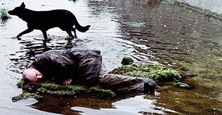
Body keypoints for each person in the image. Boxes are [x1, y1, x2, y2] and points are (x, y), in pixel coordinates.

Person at [22, 48, 156, 94]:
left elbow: (66, 65)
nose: (40, 77)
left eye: (38, 75)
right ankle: (138, 89)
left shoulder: (43, 59)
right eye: (38, 79)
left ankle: (143, 82)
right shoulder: (36, 69)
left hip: (88, 59)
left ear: (33, 69)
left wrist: (63, 79)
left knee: (101, 80)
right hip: (82, 65)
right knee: (97, 85)